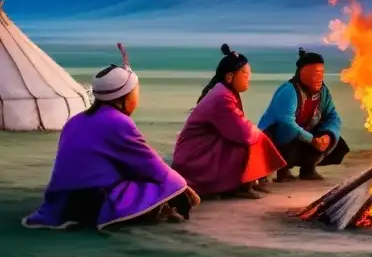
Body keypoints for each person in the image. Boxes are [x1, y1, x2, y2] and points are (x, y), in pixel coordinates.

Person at [23, 44, 200, 230]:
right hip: (93, 202)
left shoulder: (74, 121)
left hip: (61, 203)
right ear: (123, 97)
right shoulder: (119, 122)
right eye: (135, 93)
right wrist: (182, 188)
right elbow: (152, 166)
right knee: (161, 183)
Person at [172, 44, 285, 199]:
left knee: (253, 134)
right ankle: (240, 185)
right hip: (195, 158)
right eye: (245, 75)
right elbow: (242, 133)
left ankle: (244, 182)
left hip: (201, 151)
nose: (248, 80)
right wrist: (253, 129)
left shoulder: (224, 92)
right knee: (249, 139)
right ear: (230, 77)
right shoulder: (222, 98)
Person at [258, 48, 348, 182]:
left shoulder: (323, 92)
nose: (320, 78)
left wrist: (328, 136)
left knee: (338, 144)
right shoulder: (289, 91)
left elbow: (333, 116)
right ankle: (281, 170)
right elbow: (286, 122)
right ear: (302, 73)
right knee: (288, 139)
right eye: (316, 73)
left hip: (303, 136)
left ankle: (308, 169)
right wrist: (311, 139)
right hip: (281, 140)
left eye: (322, 73)